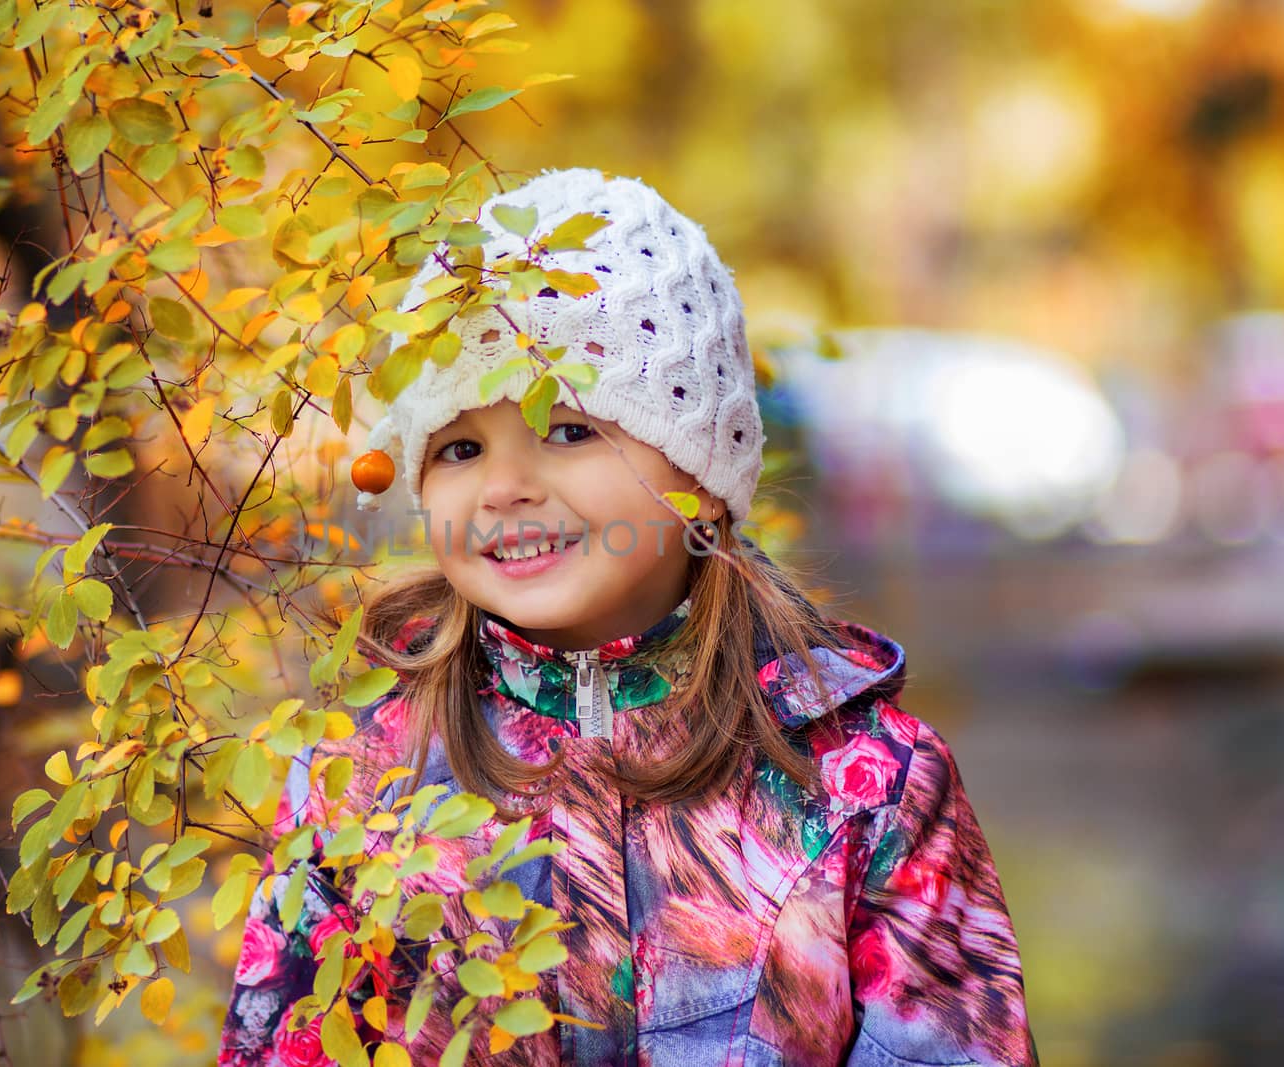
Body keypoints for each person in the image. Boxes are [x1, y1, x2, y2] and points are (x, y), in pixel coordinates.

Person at [219, 168, 1039, 1066]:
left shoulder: (863, 785)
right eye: (459, 448)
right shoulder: (365, 787)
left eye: (568, 429)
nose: (503, 488)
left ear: (700, 476)